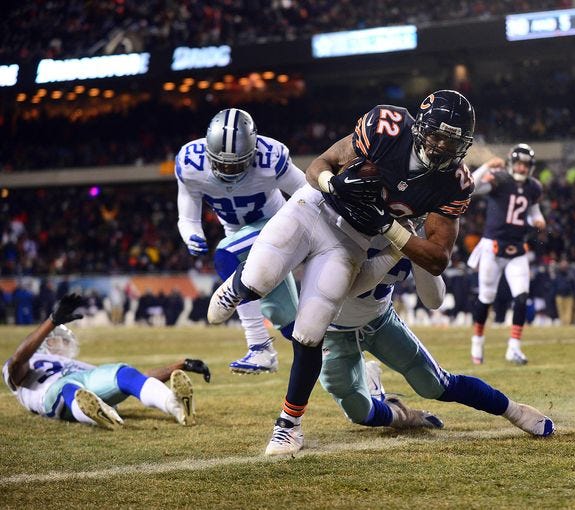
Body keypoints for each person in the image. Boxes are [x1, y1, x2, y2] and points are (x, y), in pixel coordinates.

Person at [208, 90, 476, 454]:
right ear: (420, 127)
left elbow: (435, 269)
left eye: (453, 140)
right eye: (437, 135)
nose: (442, 145)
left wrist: (389, 229)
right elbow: (321, 164)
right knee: (261, 277)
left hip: (354, 241)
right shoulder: (388, 127)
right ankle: (240, 285)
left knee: (310, 331)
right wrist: (332, 183)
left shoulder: (449, 186)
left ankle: (289, 425)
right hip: (317, 207)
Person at [308, 239, 554, 456]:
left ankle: (515, 411)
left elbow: (434, 300)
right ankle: (400, 414)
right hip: (334, 330)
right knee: (359, 413)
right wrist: (396, 245)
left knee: (434, 384)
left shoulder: (417, 225)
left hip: (380, 320)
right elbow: (353, 286)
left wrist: (421, 248)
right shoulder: (346, 216)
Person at [175, 108, 306, 373]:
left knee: (226, 256)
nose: (228, 170)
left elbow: (308, 194)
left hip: (279, 225)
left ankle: (258, 347)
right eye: (221, 164)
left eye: (236, 164)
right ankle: (357, 366)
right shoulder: (190, 165)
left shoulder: (270, 158)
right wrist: (191, 235)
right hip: (239, 234)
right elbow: (187, 213)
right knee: (292, 324)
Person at [3, 294, 211, 429]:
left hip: (83, 378)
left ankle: (174, 406)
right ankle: (96, 413)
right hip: (52, 393)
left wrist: (182, 364)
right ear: (45, 342)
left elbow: (140, 378)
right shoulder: (33, 360)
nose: (65, 344)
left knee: (124, 373)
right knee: (70, 389)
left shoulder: (77, 365)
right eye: (59, 339)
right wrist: (51, 322)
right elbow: (17, 361)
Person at [467, 144, 546, 365]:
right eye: (519, 163)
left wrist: (537, 220)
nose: (522, 167)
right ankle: (477, 341)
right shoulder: (500, 179)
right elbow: (470, 187)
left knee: (521, 295)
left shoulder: (533, 187)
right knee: (486, 297)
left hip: (517, 247)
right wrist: (485, 166)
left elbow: (532, 212)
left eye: (526, 164)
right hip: (493, 245)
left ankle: (514, 348)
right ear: (512, 163)